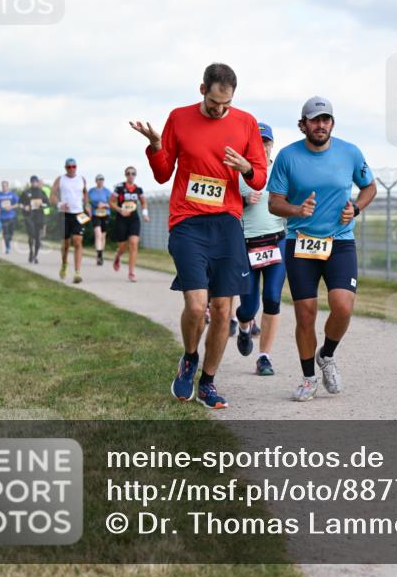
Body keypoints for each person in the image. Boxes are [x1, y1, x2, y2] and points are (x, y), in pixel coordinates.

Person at [129, 62, 267, 409]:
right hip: (187, 222)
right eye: (215, 102)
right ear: (202, 89)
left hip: (226, 223)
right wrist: (156, 145)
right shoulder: (179, 118)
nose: (220, 110)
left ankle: (207, 381)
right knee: (196, 304)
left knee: (223, 309)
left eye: (227, 104)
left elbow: (259, 179)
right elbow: (162, 175)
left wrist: (247, 168)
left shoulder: (246, 123)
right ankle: (190, 357)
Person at [268, 97, 377, 401]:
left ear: (332, 123)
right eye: (314, 120)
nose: (320, 125)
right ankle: (307, 378)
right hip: (301, 242)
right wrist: (296, 209)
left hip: (340, 241)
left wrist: (355, 209)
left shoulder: (350, 152)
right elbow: (274, 202)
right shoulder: (288, 157)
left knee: (343, 306)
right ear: (303, 124)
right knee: (306, 313)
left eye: (325, 119)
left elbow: (370, 187)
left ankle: (326, 355)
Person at [235, 122, 287, 376]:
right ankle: (244, 326)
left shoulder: (280, 171)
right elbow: (223, 205)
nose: (262, 147)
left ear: (271, 144)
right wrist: (243, 200)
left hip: (277, 242)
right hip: (247, 245)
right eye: (257, 141)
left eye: (266, 142)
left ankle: (264, 357)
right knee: (248, 307)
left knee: (273, 299)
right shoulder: (236, 172)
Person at [50, 158, 89, 284]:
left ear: (76, 167)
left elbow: (85, 194)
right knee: (66, 244)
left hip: (79, 214)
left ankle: (77, 272)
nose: (71, 169)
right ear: (65, 167)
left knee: (77, 241)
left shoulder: (81, 179)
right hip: (65, 214)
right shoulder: (60, 179)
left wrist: (87, 206)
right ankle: (64, 264)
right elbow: (52, 196)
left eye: (73, 167)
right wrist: (59, 204)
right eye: (69, 167)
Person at [110, 166, 149, 282]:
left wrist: (145, 214)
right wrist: (120, 210)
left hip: (134, 219)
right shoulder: (119, 188)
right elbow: (111, 202)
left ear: (135, 175)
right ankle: (118, 256)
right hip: (121, 219)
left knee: (133, 243)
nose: (131, 175)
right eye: (128, 173)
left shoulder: (138, 189)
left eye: (133, 173)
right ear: (125, 175)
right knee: (123, 246)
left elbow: (143, 203)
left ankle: (131, 272)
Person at [21, 175, 49, 263]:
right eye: (33, 182)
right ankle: (31, 251)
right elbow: (20, 203)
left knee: (37, 237)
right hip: (29, 216)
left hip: (39, 216)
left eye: (36, 182)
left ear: (38, 182)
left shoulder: (42, 192)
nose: (34, 183)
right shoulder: (26, 192)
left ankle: (35, 256)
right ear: (31, 182)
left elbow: (47, 203)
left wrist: (42, 205)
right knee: (31, 235)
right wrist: (24, 207)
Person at [89, 174, 113, 266]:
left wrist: (104, 205)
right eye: (99, 179)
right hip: (95, 215)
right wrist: (90, 209)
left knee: (103, 236)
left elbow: (112, 203)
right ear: (96, 181)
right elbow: (87, 202)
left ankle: (101, 254)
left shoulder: (107, 191)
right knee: (98, 234)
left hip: (105, 215)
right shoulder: (91, 191)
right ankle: (99, 255)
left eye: (102, 179)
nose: (101, 181)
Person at [0, 181, 20, 254]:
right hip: (3, 216)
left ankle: (9, 240)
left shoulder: (12, 195)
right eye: (3, 186)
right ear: (1, 187)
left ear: (8, 186)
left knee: (11, 232)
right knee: (5, 232)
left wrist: (11, 207)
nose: (4, 187)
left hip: (11, 215)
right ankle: (7, 247)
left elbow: (18, 204)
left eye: (5, 186)